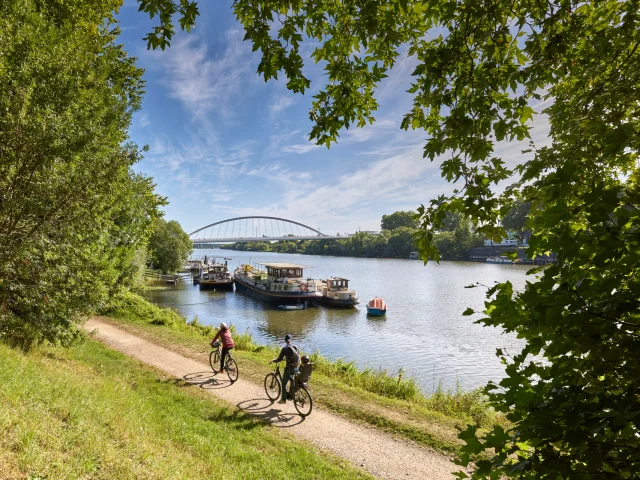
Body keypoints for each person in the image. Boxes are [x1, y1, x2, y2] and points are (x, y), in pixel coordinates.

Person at [270, 334, 300, 404]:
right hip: (297, 367)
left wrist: (273, 360)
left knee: (283, 383)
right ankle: (292, 394)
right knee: (293, 380)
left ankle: (283, 400)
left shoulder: (284, 349)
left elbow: (279, 359)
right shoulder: (295, 347)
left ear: (284, 340)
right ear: (291, 340)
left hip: (289, 368)